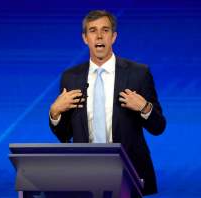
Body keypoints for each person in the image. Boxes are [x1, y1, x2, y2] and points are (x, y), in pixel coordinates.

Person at [49, 10, 166, 197]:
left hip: (128, 174)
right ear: (85, 38)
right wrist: (55, 113)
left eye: (105, 30)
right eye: (93, 31)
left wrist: (145, 108)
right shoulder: (71, 77)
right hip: (84, 176)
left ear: (114, 37)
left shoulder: (138, 74)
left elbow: (158, 126)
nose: (99, 36)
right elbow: (65, 134)